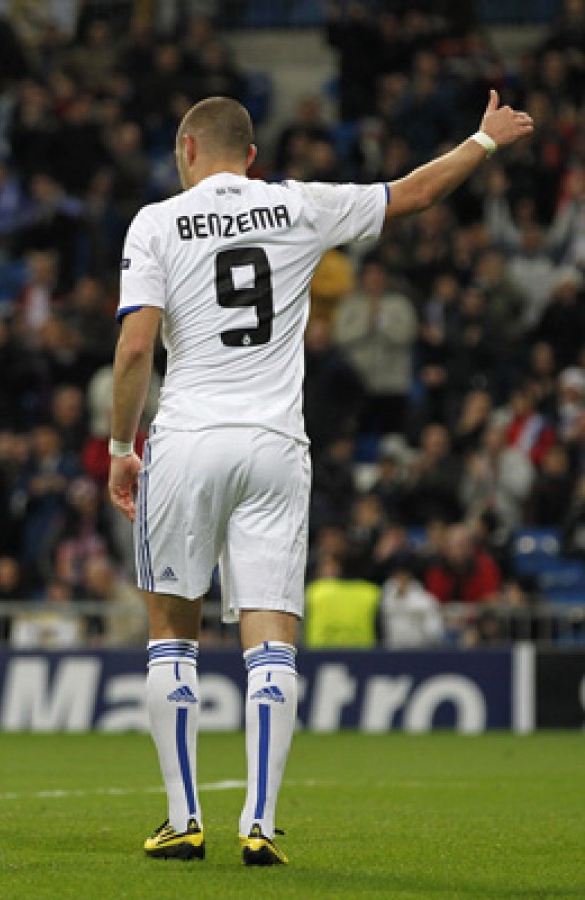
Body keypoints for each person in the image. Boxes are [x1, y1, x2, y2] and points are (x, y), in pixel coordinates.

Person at [108, 94, 533, 865]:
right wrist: (484, 140)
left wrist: (117, 446)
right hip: (275, 445)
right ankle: (260, 823)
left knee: (172, 632)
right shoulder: (298, 206)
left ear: (187, 149)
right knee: (271, 639)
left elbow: (137, 348)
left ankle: (184, 818)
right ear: (252, 156)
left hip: (188, 440)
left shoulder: (156, 222)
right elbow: (414, 193)